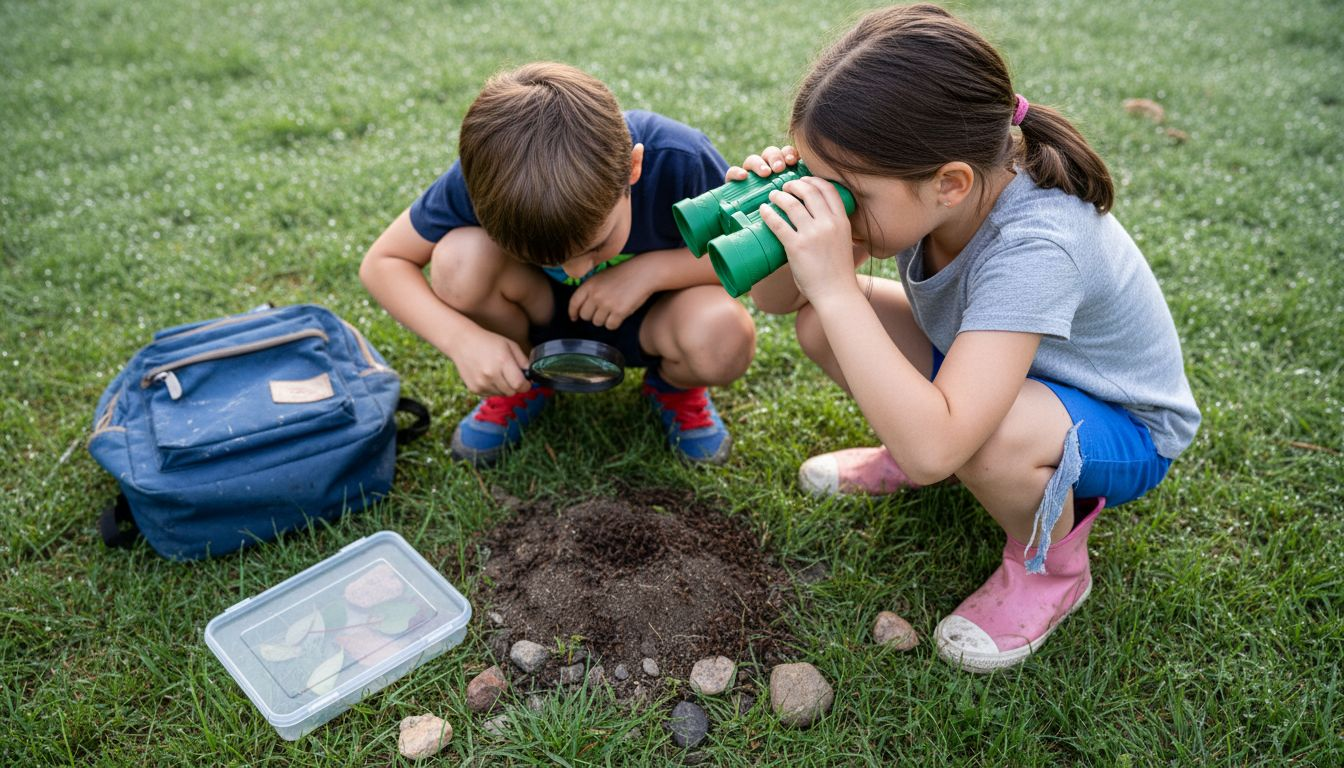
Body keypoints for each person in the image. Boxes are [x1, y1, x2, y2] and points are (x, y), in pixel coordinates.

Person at [729, 4, 1200, 672]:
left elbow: (936, 453)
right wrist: (777, 225)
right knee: (822, 323)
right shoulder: (935, 192)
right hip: (1001, 375)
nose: (829, 205)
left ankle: (1053, 572)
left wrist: (837, 286)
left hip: (1123, 426)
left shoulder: (1038, 243)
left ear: (949, 184)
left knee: (980, 437)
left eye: (844, 194)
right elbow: (780, 304)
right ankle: (925, 425)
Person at [361, 62, 755, 467]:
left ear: (633, 169)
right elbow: (383, 262)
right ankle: (524, 375)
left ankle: (674, 387)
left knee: (723, 334)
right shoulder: (493, 175)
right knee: (459, 261)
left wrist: (650, 272)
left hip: (655, 319)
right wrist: (461, 340)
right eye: (548, 259)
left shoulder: (680, 159)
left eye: (597, 244)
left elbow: (751, 257)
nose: (575, 271)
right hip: (536, 317)